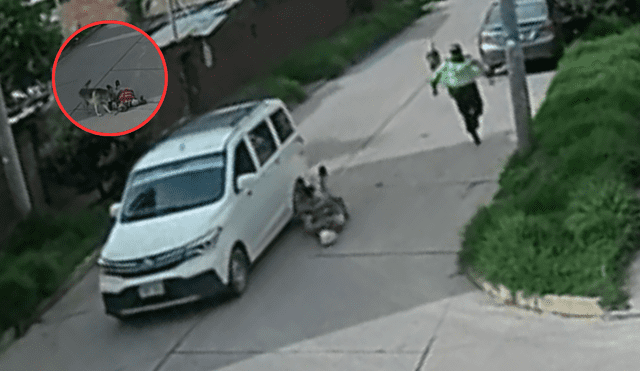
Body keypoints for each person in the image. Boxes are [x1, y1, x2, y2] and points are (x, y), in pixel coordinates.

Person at [430, 43, 494, 146]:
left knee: (465, 112)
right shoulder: (466, 60)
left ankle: (472, 127)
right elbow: (479, 66)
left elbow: (436, 76)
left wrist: (434, 88)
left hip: (457, 91)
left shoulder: (447, 64)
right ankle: (473, 122)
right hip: (468, 88)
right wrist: (486, 74)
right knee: (478, 107)